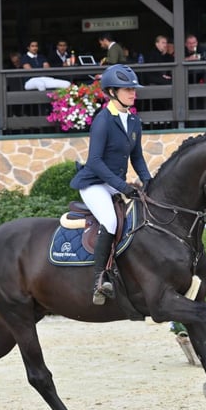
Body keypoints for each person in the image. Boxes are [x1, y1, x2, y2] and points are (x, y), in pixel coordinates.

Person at [69, 64, 152, 305]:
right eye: (127, 89)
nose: (132, 93)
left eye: (133, 89)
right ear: (113, 92)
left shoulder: (134, 121)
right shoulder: (103, 121)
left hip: (114, 183)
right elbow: (94, 162)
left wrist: (148, 181)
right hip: (94, 183)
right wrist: (123, 186)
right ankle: (99, 278)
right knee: (111, 221)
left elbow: (136, 156)